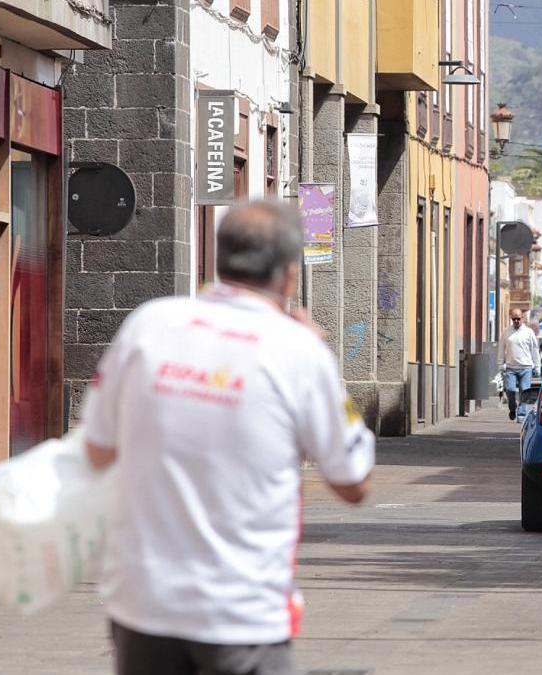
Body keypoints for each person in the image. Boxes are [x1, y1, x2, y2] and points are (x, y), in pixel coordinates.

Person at [81, 200, 376, 675]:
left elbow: (96, 450)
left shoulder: (149, 324)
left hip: (143, 607)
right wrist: (327, 367)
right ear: (289, 275)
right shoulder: (300, 351)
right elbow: (352, 481)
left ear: (221, 260)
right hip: (243, 616)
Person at [497, 309, 541, 420]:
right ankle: (512, 408)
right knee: (510, 390)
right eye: (514, 319)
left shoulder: (529, 332)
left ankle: (521, 414)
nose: (516, 321)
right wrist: (500, 364)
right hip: (510, 367)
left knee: (524, 391)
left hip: (526, 367)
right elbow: (501, 348)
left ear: (522, 318)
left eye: (518, 318)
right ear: (512, 319)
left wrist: (537, 366)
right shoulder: (507, 332)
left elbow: (535, 349)